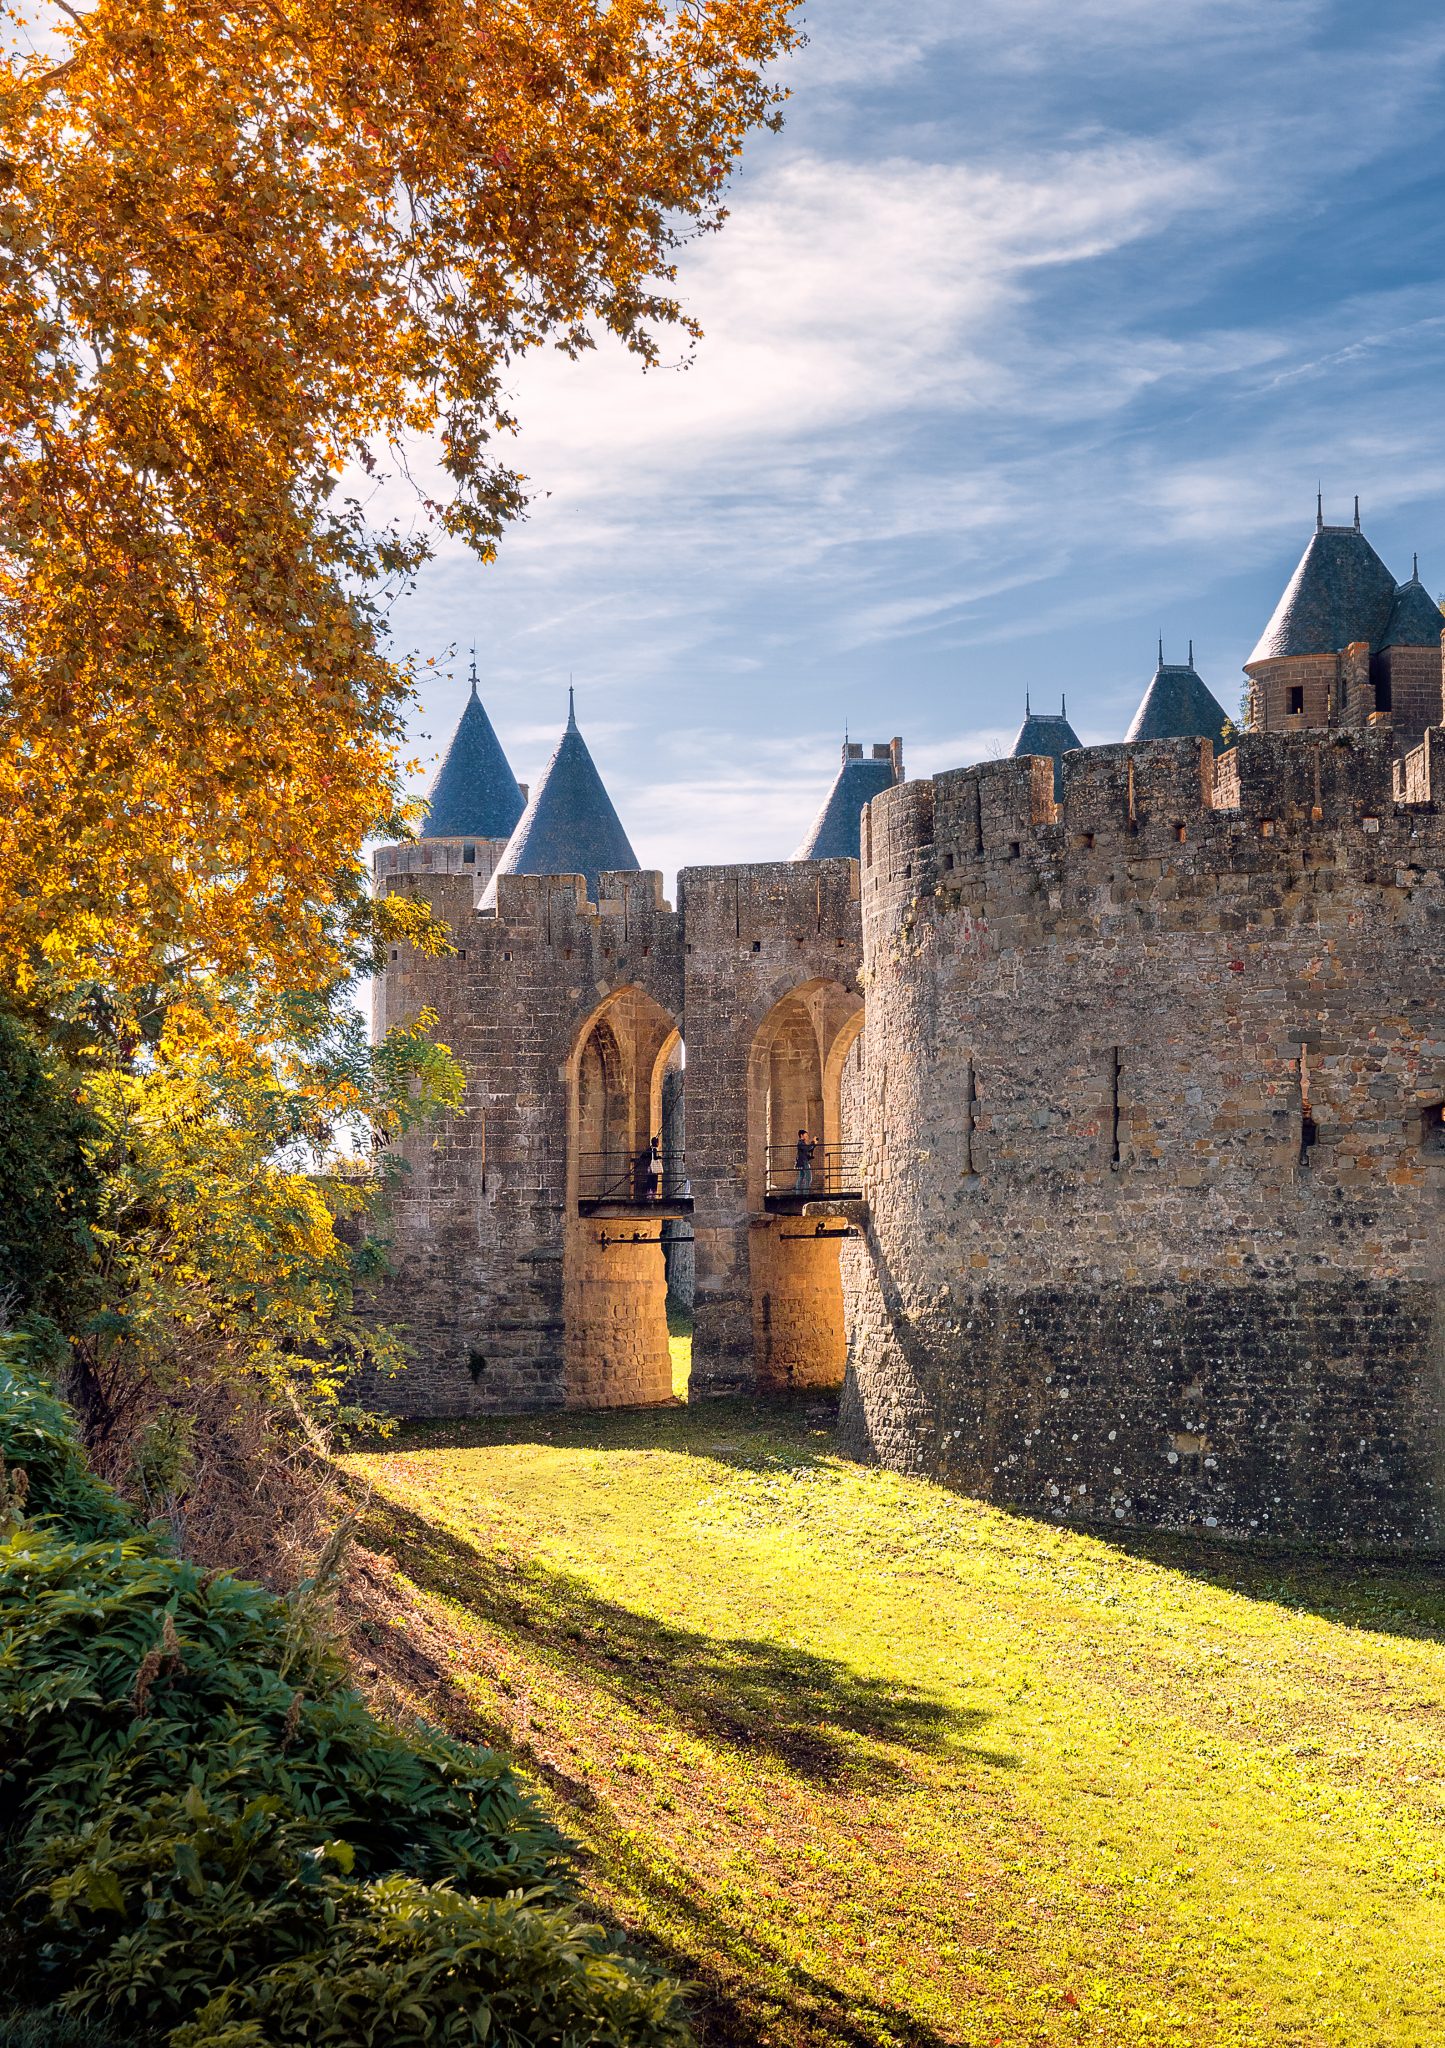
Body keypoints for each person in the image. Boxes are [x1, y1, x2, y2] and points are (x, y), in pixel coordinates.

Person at [794, 1127, 815, 1194]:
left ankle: (798, 1193)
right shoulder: (801, 1143)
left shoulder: (801, 1143)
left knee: (801, 1176)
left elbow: (807, 1150)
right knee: (808, 1177)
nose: (807, 1137)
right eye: (805, 1135)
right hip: (804, 1162)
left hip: (801, 1162)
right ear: (801, 1135)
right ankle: (805, 1193)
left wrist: (813, 1144)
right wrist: (813, 1143)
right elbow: (807, 1148)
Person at [647, 1134, 662, 1200]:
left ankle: (649, 1193)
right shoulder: (655, 1149)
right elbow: (655, 1157)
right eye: (658, 1142)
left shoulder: (649, 1149)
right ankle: (654, 1193)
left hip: (650, 1166)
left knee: (649, 1180)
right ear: (656, 1143)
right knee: (654, 1180)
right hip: (654, 1167)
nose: (658, 1144)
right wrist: (659, 1157)